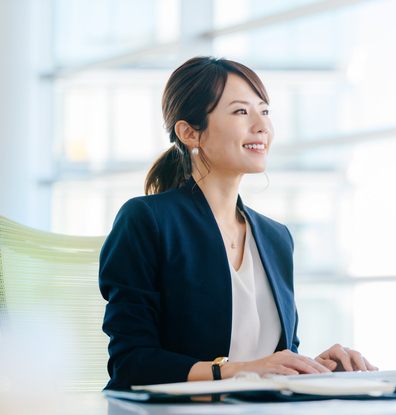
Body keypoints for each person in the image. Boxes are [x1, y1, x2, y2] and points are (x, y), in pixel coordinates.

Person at [99, 57, 377, 390]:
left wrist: (313, 368)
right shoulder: (148, 220)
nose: (262, 126)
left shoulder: (276, 238)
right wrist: (239, 371)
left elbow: (268, 361)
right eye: (241, 112)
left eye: (265, 111)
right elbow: (132, 363)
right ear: (189, 132)